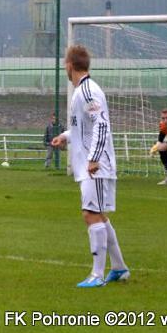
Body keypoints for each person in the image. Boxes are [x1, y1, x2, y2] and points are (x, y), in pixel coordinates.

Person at [50, 45, 129, 288]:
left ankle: (97, 275)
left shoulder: (88, 91)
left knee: (90, 214)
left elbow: (101, 125)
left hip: (95, 165)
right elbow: (81, 128)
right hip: (90, 164)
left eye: (65, 63)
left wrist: (94, 158)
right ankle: (119, 268)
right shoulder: (81, 91)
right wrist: (65, 136)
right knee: (98, 215)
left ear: (70, 65)